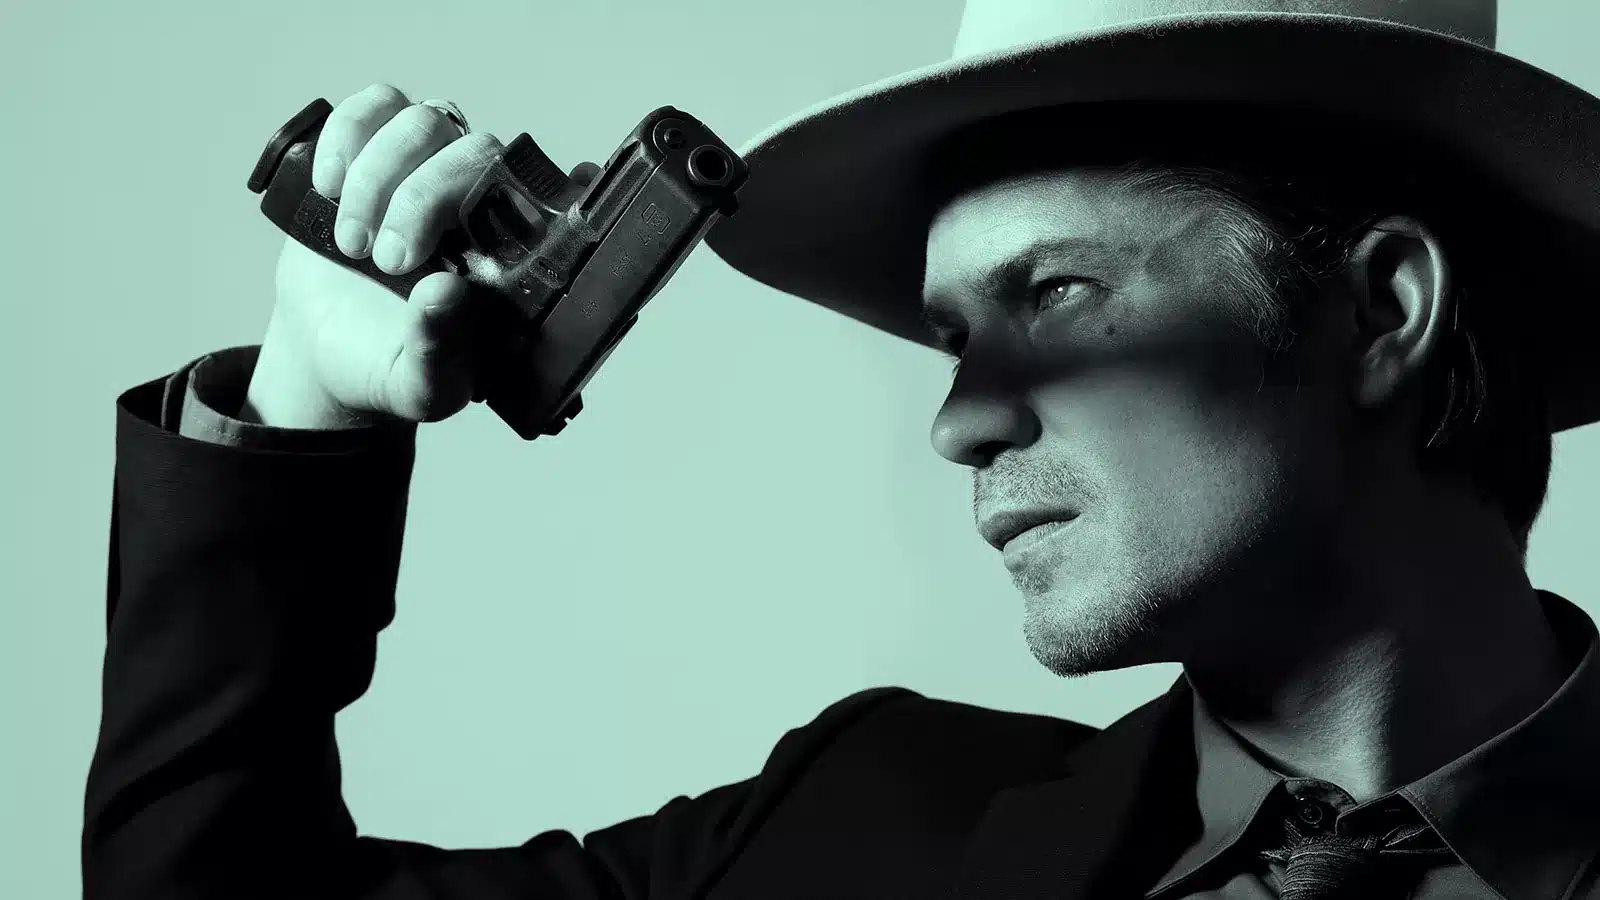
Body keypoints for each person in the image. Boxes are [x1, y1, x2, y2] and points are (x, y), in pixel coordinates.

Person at [83, 1, 1600, 898]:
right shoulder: (858, 821)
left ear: (1382, 310)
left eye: (1056, 294)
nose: (959, 422)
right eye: (952, 341)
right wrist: (303, 403)